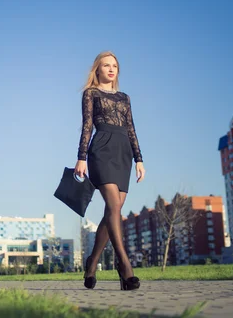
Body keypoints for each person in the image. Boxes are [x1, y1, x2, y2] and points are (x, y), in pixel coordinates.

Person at [75, 51, 145, 291]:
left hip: (123, 151)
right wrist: (81, 157)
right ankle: (124, 267)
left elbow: (131, 128)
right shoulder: (90, 94)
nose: (111, 69)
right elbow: (86, 125)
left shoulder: (125, 98)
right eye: (106, 65)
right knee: (113, 207)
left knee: (113, 211)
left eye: (114, 65)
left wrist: (139, 159)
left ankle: (92, 261)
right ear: (98, 69)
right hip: (101, 150)